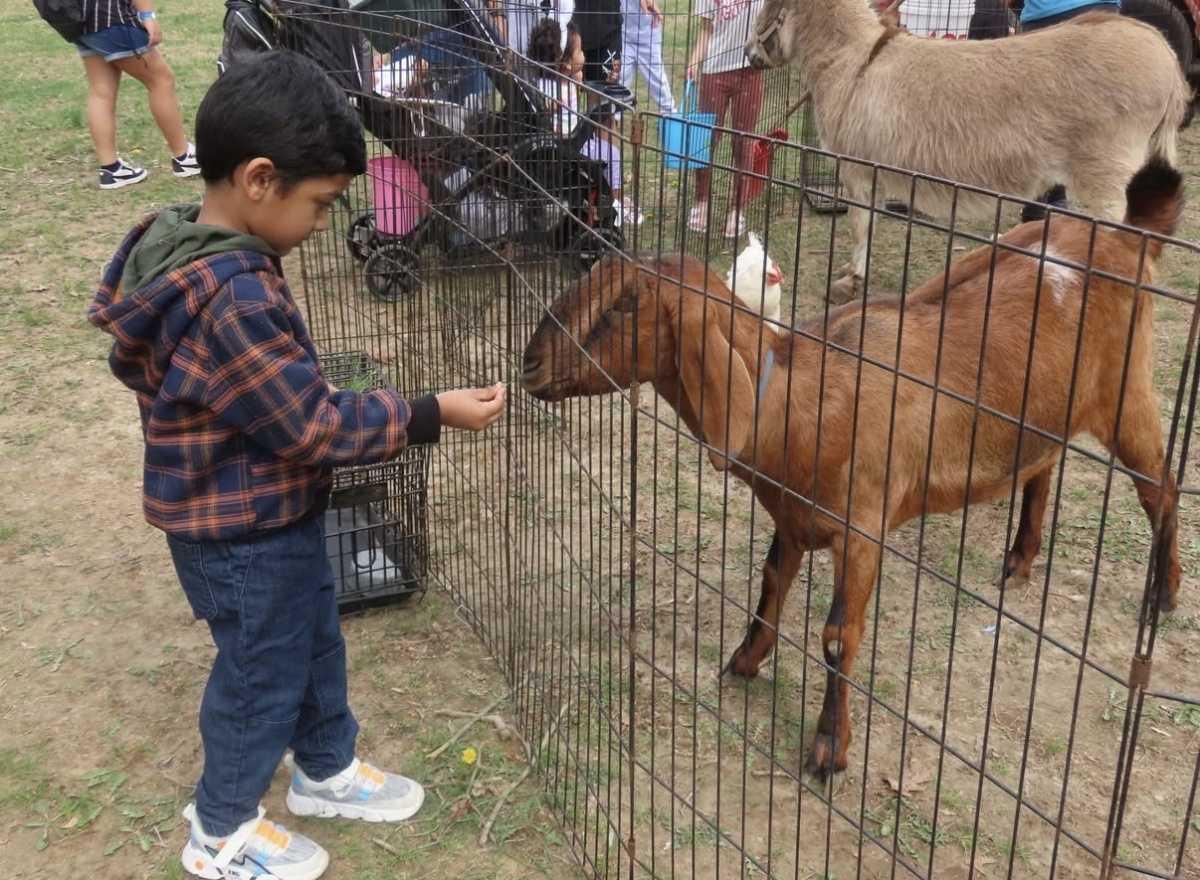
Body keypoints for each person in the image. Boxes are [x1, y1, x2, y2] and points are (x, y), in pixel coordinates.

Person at [87, 51, 507, 880]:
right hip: (240, 529)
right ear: (258, 180)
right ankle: (220, 830)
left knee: (312, 637)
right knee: (260, 674)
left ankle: (325, 768)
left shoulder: (196, 248)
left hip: (266, 512)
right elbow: (309, 425)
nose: (322, 224)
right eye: (319, 205)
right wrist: (429, 413)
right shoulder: (229, 294)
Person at [1011, 0, 1121, 220]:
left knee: (1040, 117)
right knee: (1081, 115)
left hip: (1047, 14)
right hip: (1102, 12)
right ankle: (1058, 198)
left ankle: (1038, 204)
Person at [73, 0, 200, 189]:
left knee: (101, 92)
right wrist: (147, 16)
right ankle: (184, 156)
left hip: (80, 20)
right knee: (161, 80)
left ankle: (111, 169)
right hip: (112, 17)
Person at [686, 0, 767, 239]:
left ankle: (737, 209)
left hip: (751, 69)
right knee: (706, 139)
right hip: (715, 71)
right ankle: (701, 201)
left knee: (743, 142)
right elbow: (706, 30)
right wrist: (694, 60)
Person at [619, 0, 675, 115]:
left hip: (648, 35)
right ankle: (611, 124)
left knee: (658, 83)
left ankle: (670, 118)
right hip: (624, 35)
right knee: (619, 82)